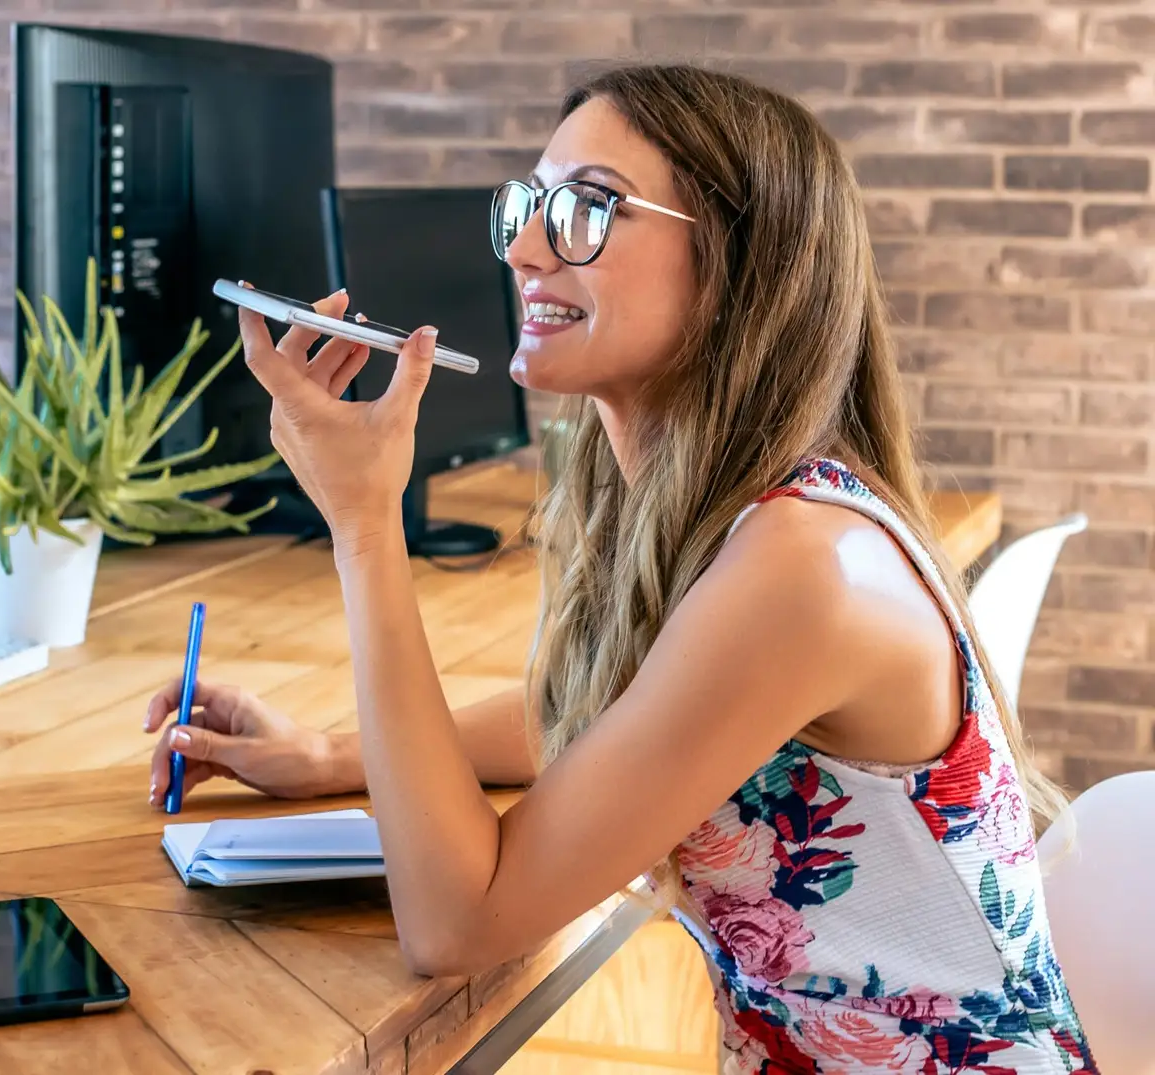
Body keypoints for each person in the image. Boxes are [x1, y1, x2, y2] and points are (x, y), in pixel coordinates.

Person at [142, 63, 1098, 1073]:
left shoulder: (804, 567)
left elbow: (458, 922)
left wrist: (365, 523)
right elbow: (637, 717)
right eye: (528, 207)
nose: (521, 248)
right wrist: (336, 755)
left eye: (587, 209)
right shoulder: (720, 516)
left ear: (740, 262)